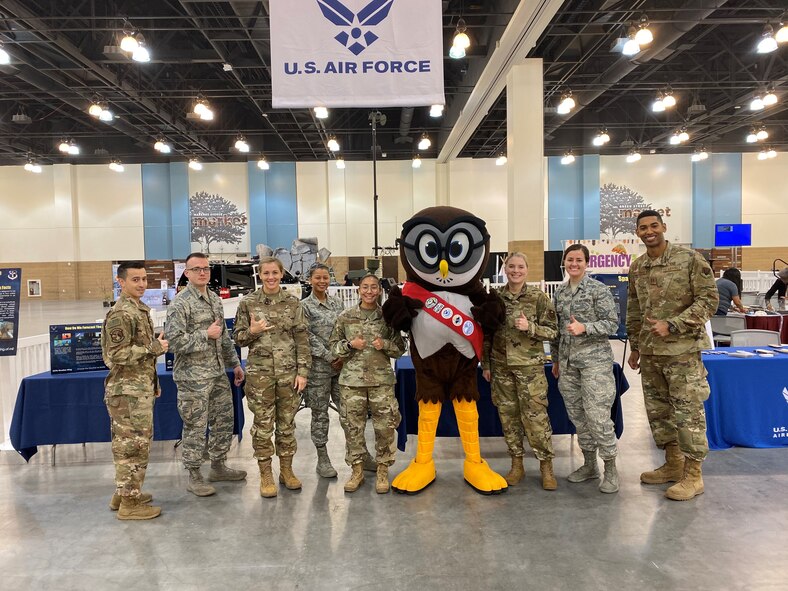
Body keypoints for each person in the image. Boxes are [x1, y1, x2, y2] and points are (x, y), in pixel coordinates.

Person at [626, 210, 718, 501]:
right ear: (638, 233)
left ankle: (694, 475)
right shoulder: (638, 267)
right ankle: (674, 464)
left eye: (654, 225)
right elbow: (634, 309)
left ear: (664, 227)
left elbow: (709, 300)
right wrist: (636, 346)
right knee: (660, 412)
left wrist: (674, 324)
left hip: (683, 352)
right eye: (643, 228)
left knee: (688, 412)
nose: (649, 231)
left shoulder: (689, 259)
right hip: (651, 353)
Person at [165, 252, 246, 497]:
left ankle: (218, 466)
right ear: (187, 273)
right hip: (192, 378)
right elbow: (173, 341)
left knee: (223, 421)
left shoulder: (213, 299)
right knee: (195, 426)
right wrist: (204, 335)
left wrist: (236, 364)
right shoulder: (180, 303)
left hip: (217, 373)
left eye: (206, 268)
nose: (202, 272)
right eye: (197, 268)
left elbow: (223, 338)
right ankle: (194, 474)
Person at [233, 256, 311, 498]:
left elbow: (302, 339)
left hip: (288, 376)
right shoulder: (248, 303)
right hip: (260, 377)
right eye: (266, 273)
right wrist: (252, 331)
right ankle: (266, 473)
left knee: (287, 424)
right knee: (263, 426)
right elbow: (238, 337)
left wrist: (303, 372)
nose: (270, 277)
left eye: (274, 273)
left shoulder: (293, 303)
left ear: (281, 274)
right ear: (260, 274)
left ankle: (286, 471)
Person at [482, 253, 559, 490]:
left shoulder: (538, 297)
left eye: (520, 267)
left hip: (530, 369)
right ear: (505, 269)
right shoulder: (494, 298)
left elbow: (553, 331)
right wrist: (486, 364)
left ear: (527, 270)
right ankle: (517, 464)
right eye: (511, 266)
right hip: (501, 367)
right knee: (508, 417)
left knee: (536, 418)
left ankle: (546, 466)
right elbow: (486, 333)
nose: (516, 270)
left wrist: (530, 327)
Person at [550, 244, 620, 493]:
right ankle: (590, 465)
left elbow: (612, 323)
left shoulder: (597, 290)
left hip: (595, 364)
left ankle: (611, 468)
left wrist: (586, 327)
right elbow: (557, 331)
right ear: (564, 263)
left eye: (579, 260)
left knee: (597, 416)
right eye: (570, 260)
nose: (574, 264)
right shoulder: (559, 293)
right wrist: (557, 360)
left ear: (586, 263)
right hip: (568, 365)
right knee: (578, 417)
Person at [101, 261, 168, 520]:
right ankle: (130, 505)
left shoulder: (138, 310)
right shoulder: (122, 313)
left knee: (131, 444)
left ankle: (125, 493)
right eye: (135, 280)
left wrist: (154, 384)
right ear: (121, 282)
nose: (141, 284)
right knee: (132, 447)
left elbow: (142, 357)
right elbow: (117, 355)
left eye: (144, 279)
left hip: (138, 388)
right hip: (127, 391)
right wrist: (154, 348)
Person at [329, 274, 405, 494]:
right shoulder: (345, 317)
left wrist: (386, 344)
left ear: (379, 291)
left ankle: (382, 470)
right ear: (358, 290)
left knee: (385, 427)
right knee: (353, 428)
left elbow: (400, 348)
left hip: (381, 382)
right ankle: (357, 470)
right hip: (352, 382)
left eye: (373, 287)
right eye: (365, 287)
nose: (369, 291)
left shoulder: (387, 317)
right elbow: (333, 347)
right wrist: (350, 344)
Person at [301, 264, 346, 478]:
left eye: (325, 277)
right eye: (317, 277)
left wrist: (342, 355)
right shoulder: (304, 307)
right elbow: (307, 337)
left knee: (349, 411)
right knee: (320, 414)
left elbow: (344, 330)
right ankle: (323, 458)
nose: (322, 281)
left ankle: (359, 454)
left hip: (340, 368)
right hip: (318, 369)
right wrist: (330, 356)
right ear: (310, 280)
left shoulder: (337, 304)